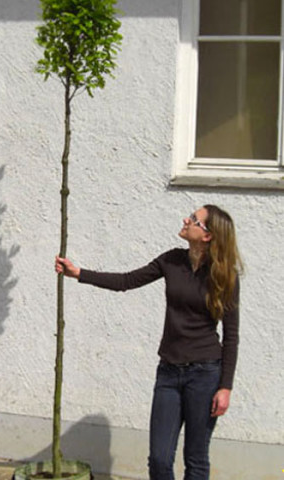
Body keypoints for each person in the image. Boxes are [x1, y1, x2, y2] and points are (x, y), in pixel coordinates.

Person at [55, 204, 242, 480]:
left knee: (196, 459)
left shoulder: (225, 276)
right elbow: (127, 281)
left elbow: (232, 336)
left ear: (208, 236)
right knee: (159, 460)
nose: (185, 219)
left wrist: (225, 387)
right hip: (168, 372)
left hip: (205, 375)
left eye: (193, 219)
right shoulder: (171, 260)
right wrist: (79, 273)